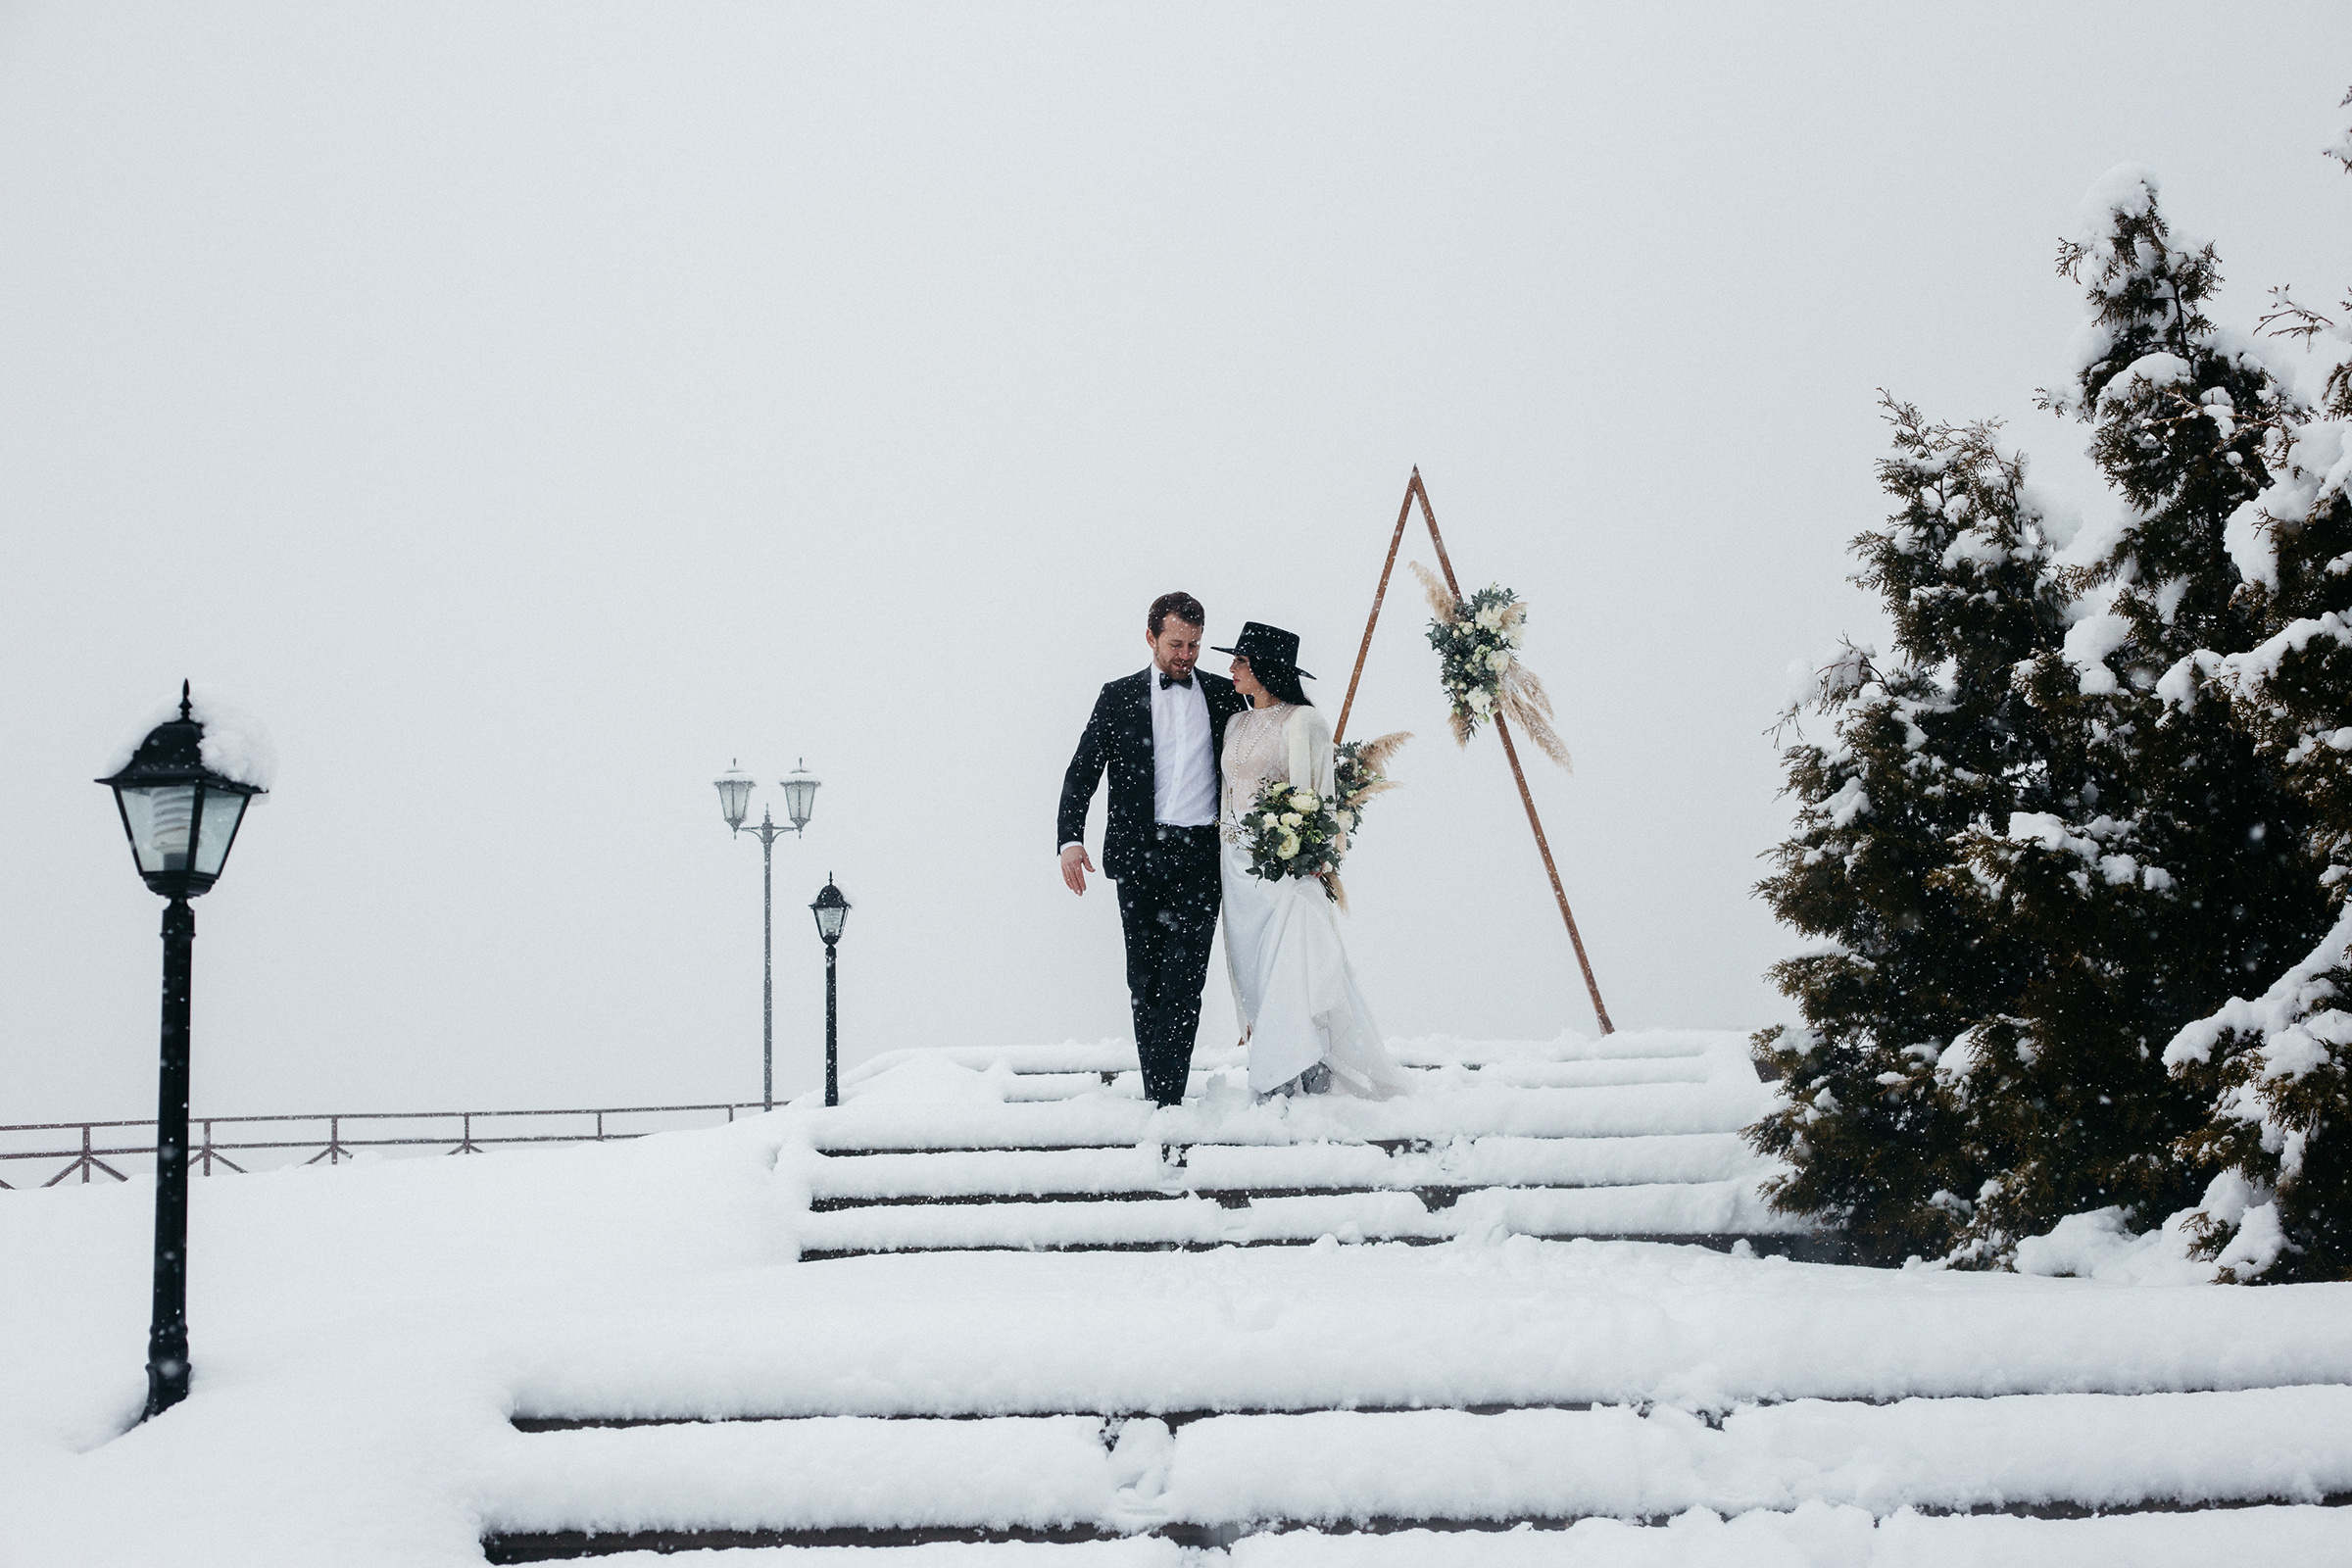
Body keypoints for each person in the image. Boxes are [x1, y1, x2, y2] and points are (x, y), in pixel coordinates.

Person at [1057, 592, 1249, 1107]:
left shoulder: (1225, 697)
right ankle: (1158, 1093)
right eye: (1176, 643)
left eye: (1194, 644)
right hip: (1138, 855)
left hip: (1201, 857)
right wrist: (1070, 839)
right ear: (1151, 639)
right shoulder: (1117, 696)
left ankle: (1167, 1099)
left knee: (1186, 983)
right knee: (1144, 981)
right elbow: (1082, 772)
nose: (1186, 654)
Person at [1212, 622, 1405, 1099]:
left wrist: (1312, 853)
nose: (1232, 668)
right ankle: (1281, 1066)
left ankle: (1299, 1072)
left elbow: (1318, 796)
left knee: (1290, 968)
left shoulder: (1304, 721)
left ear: (1265, 669)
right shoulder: (1236, 722)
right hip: (1234, 868)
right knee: (1255, 971)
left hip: (1281, 868)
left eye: (1241, 661)